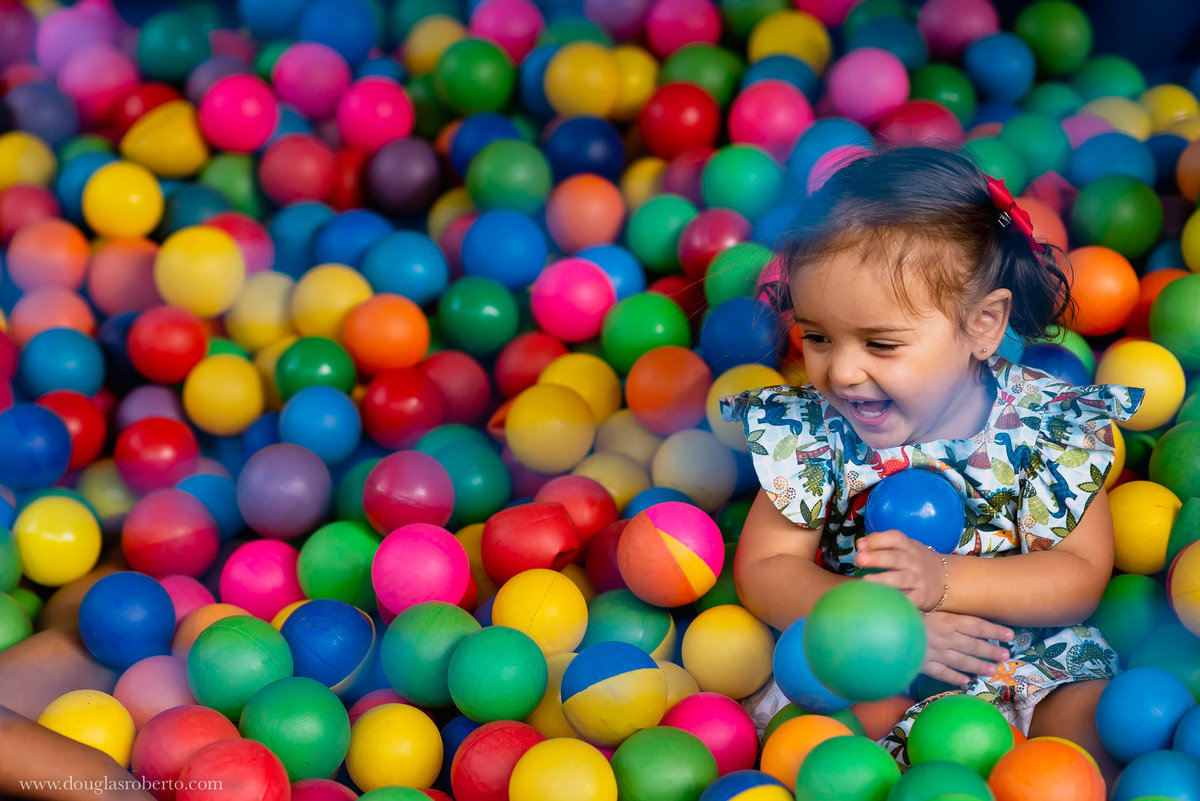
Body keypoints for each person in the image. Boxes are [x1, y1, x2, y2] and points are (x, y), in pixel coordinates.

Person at [720, 146, 1142, 781]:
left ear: (982, 325)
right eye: (817, 336)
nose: (841, 371)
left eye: (881, 343)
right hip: (871, 663)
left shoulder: (1043, 426)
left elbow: (1080, 574)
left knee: (1099, 729)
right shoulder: (816, 433)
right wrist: (888, 632)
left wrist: (946, 584)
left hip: (1017, 656)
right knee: (831, 745)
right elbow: (764, 568)